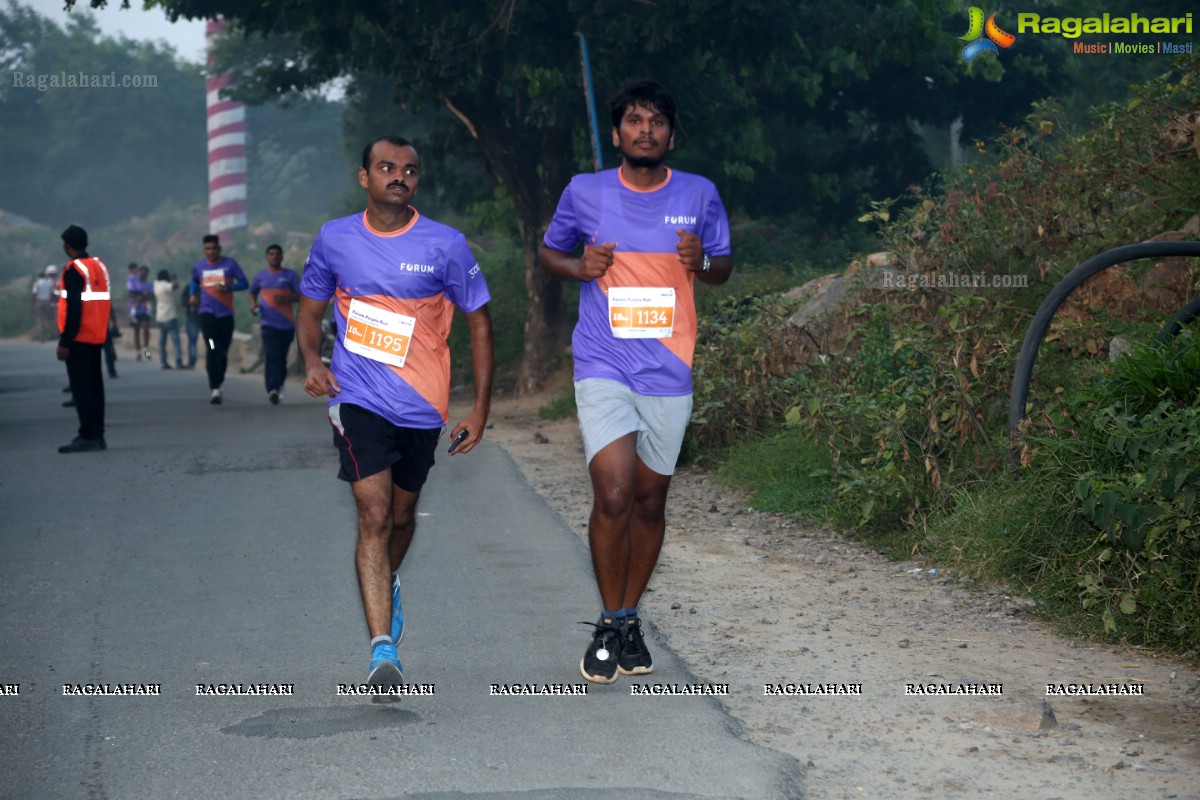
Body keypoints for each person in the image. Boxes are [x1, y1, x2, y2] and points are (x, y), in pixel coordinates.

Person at [538, 79, 733, 684]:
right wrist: (578, 266)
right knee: (616, 494)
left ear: (671, 135)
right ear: (617, 132)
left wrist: (701, 258)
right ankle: (608, 620)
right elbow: (549, 252)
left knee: (650, 502)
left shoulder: (699, 193)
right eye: (633, 121)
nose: (644, 131)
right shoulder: (585, 191)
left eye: (656, 122)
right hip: (603, 363)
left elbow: (723, 269)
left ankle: (629, 619)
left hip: (669, 369)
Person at [297, 135, 494, 693]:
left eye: (409, 170)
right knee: (375, 515)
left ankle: (390, 578)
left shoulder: (446, 244)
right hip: (357, 395)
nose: (398, 177)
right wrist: (313, 360)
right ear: (365, 177)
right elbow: (310, 311)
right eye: (386, 167)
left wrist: (479, 408)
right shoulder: (336, 239)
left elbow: (480, 321)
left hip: (421, 404)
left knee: (401, 519)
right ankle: (383, 648)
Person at [56, 224, 113, 453]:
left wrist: (64, 341)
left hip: (79, 337)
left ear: (67, 246)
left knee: (82, 388)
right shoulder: (98, 267)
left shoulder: (74, 270)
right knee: (95, 386)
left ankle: (87, 435)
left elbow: (74, 308)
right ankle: (97, 435)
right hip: (97, 335)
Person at [189, 234, 248, 403]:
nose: (211, 251)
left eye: (214, 248)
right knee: (212, 348)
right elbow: (194, 282)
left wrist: (228, 287)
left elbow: (244, 283)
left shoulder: (230, 264)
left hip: (226, 317)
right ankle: (214, 387)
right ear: (204, 250)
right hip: (207, 316)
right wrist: (193, 294)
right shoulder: (199, 266)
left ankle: (218, 382)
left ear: (219, 248)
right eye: (208, 249)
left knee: (222, 352)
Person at [249, 244, 301, 404]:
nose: (274, 256)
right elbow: (253, 292)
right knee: (272, 355)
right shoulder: (260, 277)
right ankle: (272, 388)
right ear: (267, 257)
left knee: (281, 357)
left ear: (282, 257)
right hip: (268, 323)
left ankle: (279, 385)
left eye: (277, 254)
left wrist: (286, 299)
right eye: (271, 254)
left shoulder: (290, 276)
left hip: (286, 325)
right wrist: (254, 305)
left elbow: (301, 295)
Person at [154, 270, 184, 369]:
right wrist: (174, 278)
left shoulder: (156, 285)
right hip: (170, 316)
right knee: (176, 340)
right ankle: (178, 362)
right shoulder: (166, 285)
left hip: (160, 316)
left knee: (162, 341)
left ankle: (163, 362)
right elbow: (175, 286)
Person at [126, 263, 152, 360]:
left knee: (146, 327)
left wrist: (140, 295)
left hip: (145, 309)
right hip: (135, 309)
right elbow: (131, 293)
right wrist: (142, 295)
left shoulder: (149, 284)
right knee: (136, 331)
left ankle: (146, 350)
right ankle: (138, 352)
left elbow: (150, 296)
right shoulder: (133, 282)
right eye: (142, 272)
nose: (144, 274)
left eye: (146, 273)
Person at [32, 265, 58, 341]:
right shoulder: (49, 283)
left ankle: (42, 337)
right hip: (47, 302)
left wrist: (32, 304)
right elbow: (51, 294)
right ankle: (52, 334)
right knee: (49, 319)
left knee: (41, 320)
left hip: (39, 302)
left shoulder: (37, 283)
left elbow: (34, 294)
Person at [181, 278, 201, 369]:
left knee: (192, 341)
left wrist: (191, 302)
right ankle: (213, 357)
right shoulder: (206, 287)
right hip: (206, 316)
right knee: (210, 339)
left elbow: (183, 302)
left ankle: (192, 361)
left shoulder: (189, 287)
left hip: (193, 316)